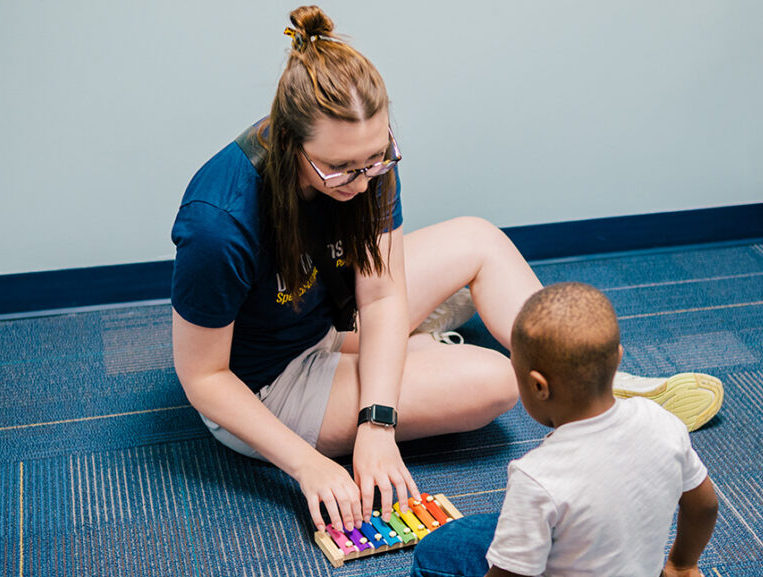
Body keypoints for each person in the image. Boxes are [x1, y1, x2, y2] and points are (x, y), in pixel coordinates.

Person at [170, 5, 723, 538]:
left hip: (327, 316)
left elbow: (382, 295)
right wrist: (309, 465)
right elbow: (205, 379)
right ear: (289, 140)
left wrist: (377, 421)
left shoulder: (365, 158)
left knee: (478, 239)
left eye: (375, 160)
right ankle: (431, 350)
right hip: (269, 382)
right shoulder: (219, 224)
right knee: (497, 381)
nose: (362, 183)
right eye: (339, 170)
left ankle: (593, 387)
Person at [411, 282, 719, 577]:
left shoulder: (537, 477)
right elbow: (705, 505)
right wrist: (681, 565)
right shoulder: (662, 422)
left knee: (438, 550)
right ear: (619, 358)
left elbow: (511, 574)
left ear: (538, 386)